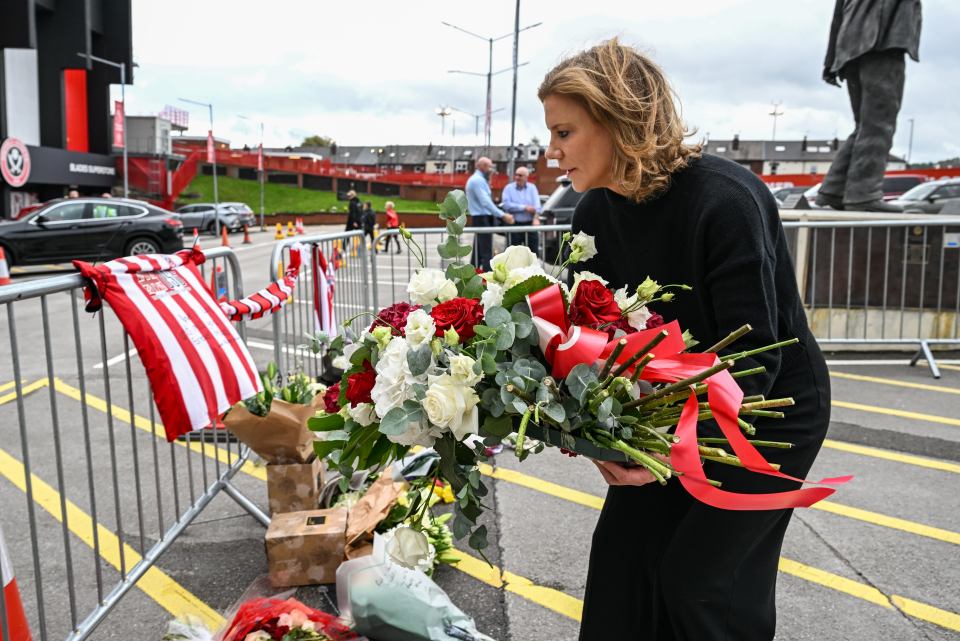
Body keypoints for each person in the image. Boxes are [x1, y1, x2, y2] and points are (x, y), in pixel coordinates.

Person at [539, 39, 831, 641]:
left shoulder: (725, 199)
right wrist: (604, 443)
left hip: (767, 417)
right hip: (666, 412)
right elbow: (585, 346)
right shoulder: (591, 214)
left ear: (618, 121)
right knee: (622, 567)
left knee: (701, 582)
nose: (551, 153)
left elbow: (757, 361)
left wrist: (661, 447)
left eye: (564, 132)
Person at [816, 0, 921, 212]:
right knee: (879, 125)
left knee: (865, 125)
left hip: (849, 48)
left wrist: (830, 61)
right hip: (882, 42)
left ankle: (834, 190)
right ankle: (864, 195)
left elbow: (838, 13)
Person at [465, 157, 513, 271]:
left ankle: (472, 276)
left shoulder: (479, 179)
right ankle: (488, 281)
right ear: (481, 166)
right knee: (486, 252)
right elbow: (485, 202)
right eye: (489, 166)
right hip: (482, 218)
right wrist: (502, 215)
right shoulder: (478, 180)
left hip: (480, 218)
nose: (491, 169)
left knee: (478, 252)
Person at [500, 166, 542, 257]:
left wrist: (536, 218)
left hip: (530, 225)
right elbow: (506, 205)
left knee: (533, 255)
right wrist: (524, 208)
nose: (517, 177)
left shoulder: (532, 188)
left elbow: (537, 207)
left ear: (526, 177)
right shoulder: (508, 188)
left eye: (520, 175)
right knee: (513, 255)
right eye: (516, 175)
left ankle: (533, 271)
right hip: (514, 225)